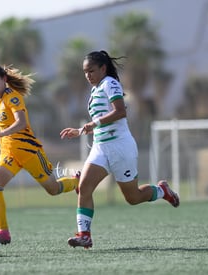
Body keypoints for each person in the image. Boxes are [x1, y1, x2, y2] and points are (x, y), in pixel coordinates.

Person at [60, 50, 180, 249]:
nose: (87, 75)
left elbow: (120, 111)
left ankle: (162, 191)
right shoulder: (94, 90)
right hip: (101, 148)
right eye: (84, 72)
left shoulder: (110, 83)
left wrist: (92, 123)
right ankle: (85, 235)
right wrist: (80, 130)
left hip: (120, 147)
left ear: (103, 68)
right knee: (84, 187)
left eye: (91, 70)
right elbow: (98, 123)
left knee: (132, 197)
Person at [0, 64, 80, 245]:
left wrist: (0, 134)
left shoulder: (13, 97)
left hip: (29, 151)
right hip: (9, 153)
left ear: (4, 79)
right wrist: (3, 141)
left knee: (53, 190)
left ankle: (76, 181)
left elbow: (21, 123)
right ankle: (3, 232)